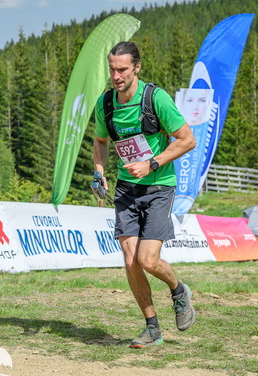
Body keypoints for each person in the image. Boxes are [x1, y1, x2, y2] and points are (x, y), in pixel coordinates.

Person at [93, 41, 197, 348]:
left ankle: (178, 290)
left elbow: (187, 140)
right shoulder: (106, 104)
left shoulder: (155, 98)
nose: (116, 76)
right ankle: (152, 328)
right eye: (112, 69)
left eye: (123, 69)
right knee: (130, 262)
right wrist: (99, 171)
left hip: (159, 186)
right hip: (126, 189)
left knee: (148, 260)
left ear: (137, 67)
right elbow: (101, 141)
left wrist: (151, 164)